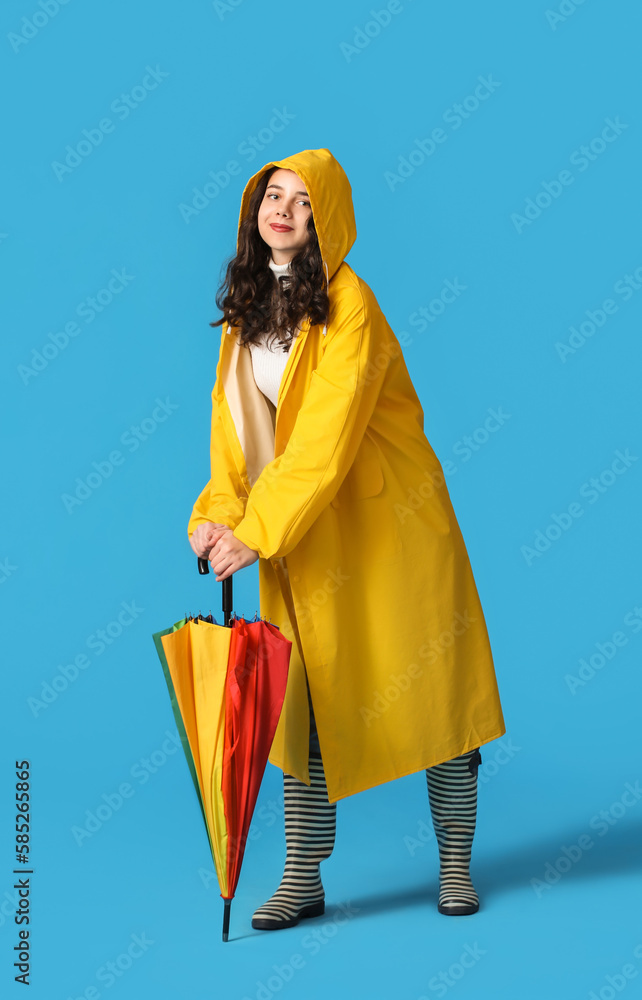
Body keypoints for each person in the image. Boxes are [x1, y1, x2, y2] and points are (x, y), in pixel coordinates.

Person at [188, 148, 506, 931]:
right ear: (253, 209)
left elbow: (325, 442)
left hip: (389, 527)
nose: (284, 210)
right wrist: (218, 513)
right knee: (302, 705)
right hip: (304, 535)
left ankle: (457, 865)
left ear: (327, 220)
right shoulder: (246, 307)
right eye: (273, 195)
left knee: (438, 691)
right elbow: (235, 436)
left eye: (303, 200)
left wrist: (257, 530)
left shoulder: (350, 304)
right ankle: (303, 878)